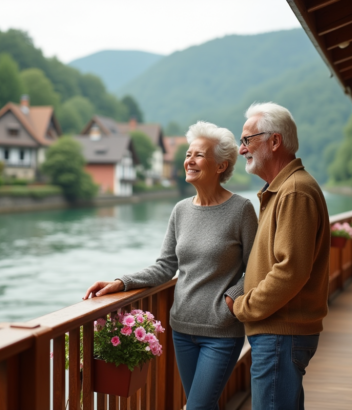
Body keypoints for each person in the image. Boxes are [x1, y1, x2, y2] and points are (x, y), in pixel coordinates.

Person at [83, 121, 258, 410]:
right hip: (182, 329)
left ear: (220, 166)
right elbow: (165, 266)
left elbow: (256, 267)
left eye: (199, 155)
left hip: (222, 331)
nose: (189, 160)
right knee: (202, 405)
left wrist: (231, 299)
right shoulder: (181, 210)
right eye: (188, 154)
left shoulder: (241, 210)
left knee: (198, 407)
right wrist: (121, 282)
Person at [224, 102, 330, 410]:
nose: (242, 149)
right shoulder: (283, 189)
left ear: (274, 141)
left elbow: (291, 270)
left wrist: (244, 306)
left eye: (247, 140)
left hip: (280, 334)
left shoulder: (294, 191)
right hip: (279, 333)